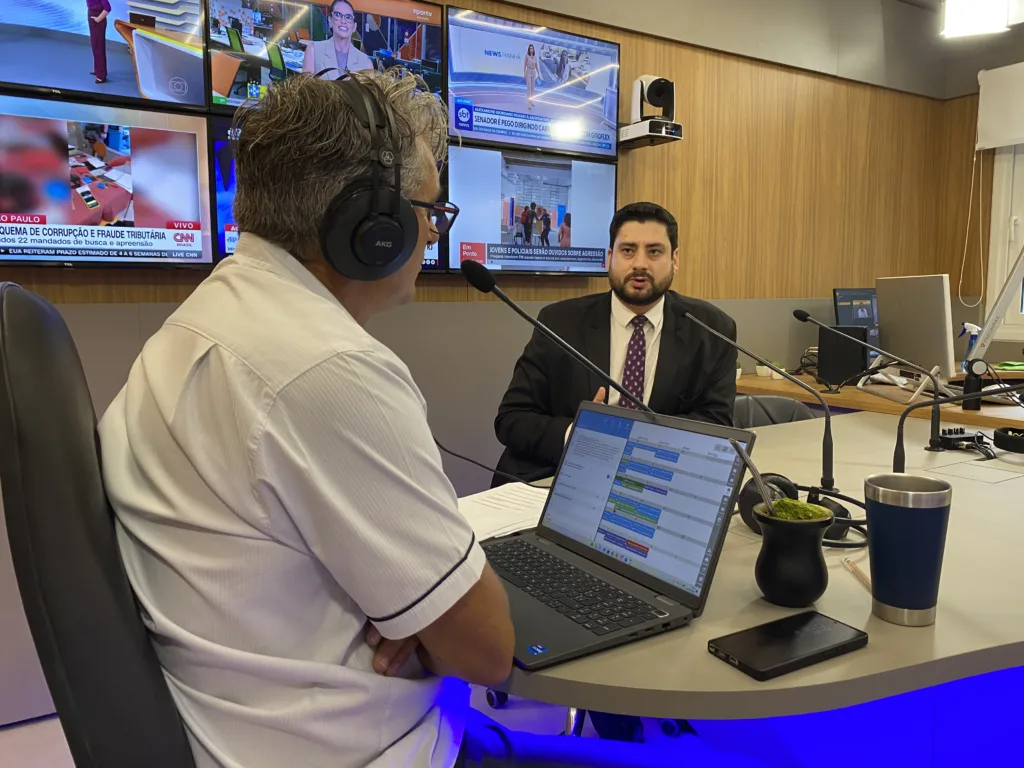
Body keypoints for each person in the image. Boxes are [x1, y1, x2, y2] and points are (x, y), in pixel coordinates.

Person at [98, 71, 731, 768]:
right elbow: (487, 652)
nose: (432, 231)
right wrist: (441, 624)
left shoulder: (201, 320)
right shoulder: (329, 370)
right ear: (368, 228)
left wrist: (418, 616)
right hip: (378, 749)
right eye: (429, 210)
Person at [494, 201, 738, 484]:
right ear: (610, 256)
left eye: (654, 251)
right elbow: (512, 418)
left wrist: (643, 445)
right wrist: (579, 434)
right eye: (628, 250)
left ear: (675, 259)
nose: (640, 264)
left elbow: (717, 423)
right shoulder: (559, 322)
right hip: (562, 477)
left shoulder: (712, 329)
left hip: (655, 481)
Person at [303, 0, 374, 76]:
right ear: (330, 20)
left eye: (348, 17)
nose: (343, 21)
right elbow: (306, 83)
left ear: (354, 26)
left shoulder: (366, 63)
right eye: (337, 15)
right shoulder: (314, 50)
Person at [87, 0, 111, 84]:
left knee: (98, 47)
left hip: (98, 19)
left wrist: (98, 19)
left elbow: (107, 8)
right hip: (91, 15)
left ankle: (101, 75)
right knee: (95, 46)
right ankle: (98, 70)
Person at [524, 43, 539, 110]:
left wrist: (539, 73)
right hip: (528, 71)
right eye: (530, 48)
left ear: (533, 49)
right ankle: (528, 104)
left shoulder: (535, 56)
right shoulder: (527, 56)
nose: (531, 49)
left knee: (532, 88)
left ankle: (531, 101)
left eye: (532, 48)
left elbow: (536, 65)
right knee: (529, 88)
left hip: (533, 72)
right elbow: (524, 65)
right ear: (528, 49)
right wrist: (524, 73)